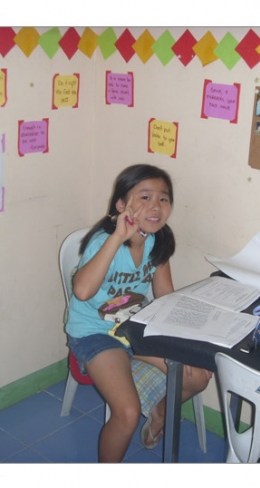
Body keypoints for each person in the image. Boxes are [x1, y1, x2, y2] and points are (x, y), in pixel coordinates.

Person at [65, 164, 212, 462]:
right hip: (95, 333)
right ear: (122, 205)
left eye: (163, 198)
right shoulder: (104, 241)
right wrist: (118, 237)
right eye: (145, 197)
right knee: (128, 412)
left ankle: (159, 415)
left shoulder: (158, 240)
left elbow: (165, 295)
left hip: (135, 327)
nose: (155, 206)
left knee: (198, 376)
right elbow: (82, 291)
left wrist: (186, 336)